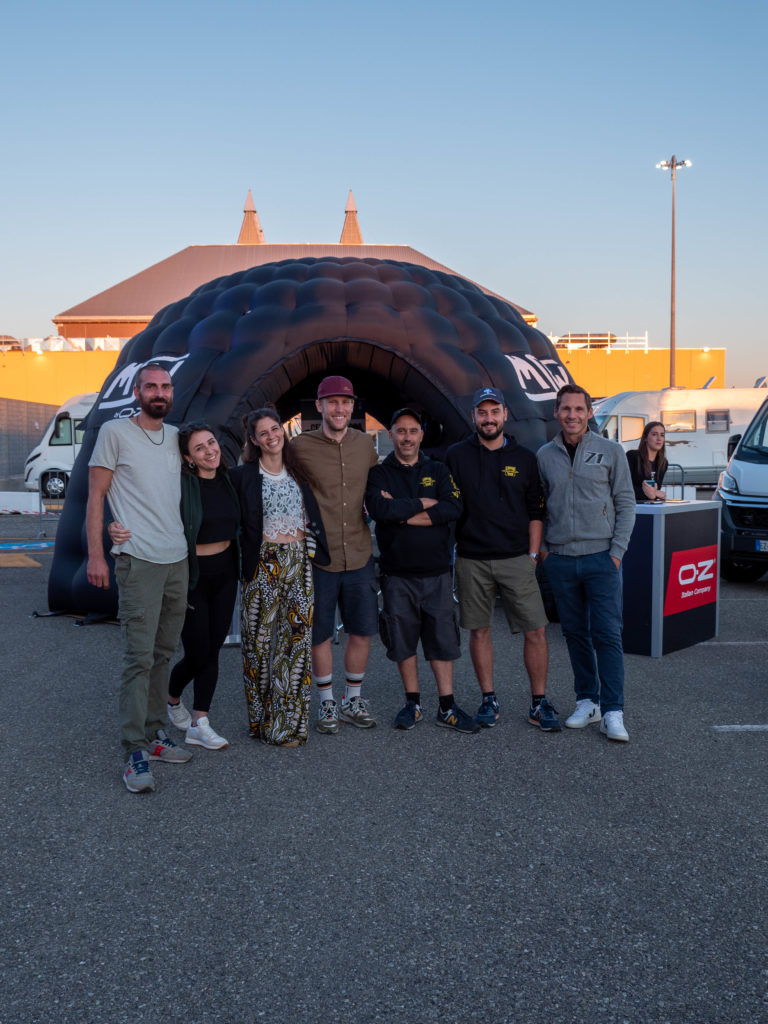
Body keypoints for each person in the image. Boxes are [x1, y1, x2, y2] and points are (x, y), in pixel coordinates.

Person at [86, 362, 192, 793]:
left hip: (176, 559)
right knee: (138, 658)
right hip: (138, 559)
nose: (159, 392)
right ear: (137, 392)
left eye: (165, 386)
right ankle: (134, 750)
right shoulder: (115, 432)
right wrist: (97, 554)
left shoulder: (176, 436)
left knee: (163, 653)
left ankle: (155, 733)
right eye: (151, 386)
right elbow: (96, 496)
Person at [109, 422, 241, 750]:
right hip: (192, 574)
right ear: (188, 458)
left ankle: (200, 723)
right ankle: (172, 697)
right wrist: (113, 525)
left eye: (211, 442)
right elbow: (144, 504)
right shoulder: (181, 486)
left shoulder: (230, 479)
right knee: (198, 652)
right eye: (199, 448)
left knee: (213, 650)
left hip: (226, 574)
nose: (209, 450)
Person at [446, 386, 560, 732]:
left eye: (495, 412)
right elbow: (447, 505)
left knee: (536, 631)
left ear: (505, 415)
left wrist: (532, 556)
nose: (489, 418)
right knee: (479, 631)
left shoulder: (525, 458)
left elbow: (536, 511)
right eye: (482, 412)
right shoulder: (456, 456)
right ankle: (488, 699)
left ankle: (538, 703)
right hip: (472, 559)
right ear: (473, 416)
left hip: (516, 558)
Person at [366, 408, 478, 734]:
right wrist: (426, 503)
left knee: (442, 641)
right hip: (396, 573)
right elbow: (380, 509)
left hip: (436, 572)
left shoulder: (438, 469)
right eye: (401, 431)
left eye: (413, 431)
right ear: (391, 435)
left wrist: (401, 513)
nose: (407, 437)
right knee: (402, 641)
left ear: (421, 435)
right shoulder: (379, 473)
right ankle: (412, 704)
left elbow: (453, 507)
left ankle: (447, 706)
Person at [537, 383, 636, 743]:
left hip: (601, 558)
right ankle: (587, 702)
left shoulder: (611, 451)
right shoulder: (544, 455)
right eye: (566, 409)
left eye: (579, 409)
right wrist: (545, 552)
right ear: (556, 412)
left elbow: (625, 502)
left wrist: (616, 553)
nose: (572, 415)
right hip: (561, 560)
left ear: (590, 413)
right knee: (575, 634)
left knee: (607, 634)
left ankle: (612, 711)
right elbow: (539, 506)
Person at [231, 407, 330, 747]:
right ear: (254, 440)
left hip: (299, 561)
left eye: (276, 429)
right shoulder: (243, 476)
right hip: (263, 563)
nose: (272, 436)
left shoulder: (298, 472)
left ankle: (286, 726)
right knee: (258, 647)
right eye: (264, 432)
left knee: (296, 644)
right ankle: (261, 722)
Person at [291, 376, 379, 734]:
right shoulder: (299, 447)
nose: (339, 408)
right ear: (320, 406)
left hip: (359, 552)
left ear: (353, 406)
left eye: (345, 402)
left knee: (362, 631)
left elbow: (377, 489)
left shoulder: (366, 445)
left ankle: (352, 699)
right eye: (332, 402)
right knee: (320, 634)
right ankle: (326, 702)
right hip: (320, 557)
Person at [626, 421, 667, 501]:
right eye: (654, 434)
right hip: (632, 505)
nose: (659, 439)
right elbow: (624, 486)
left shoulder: (663, 463)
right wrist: (652, 494)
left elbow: (656, 490)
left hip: (650, 506)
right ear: (645, 438)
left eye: (662, 435)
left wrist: (654, 494)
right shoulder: (632, 456)